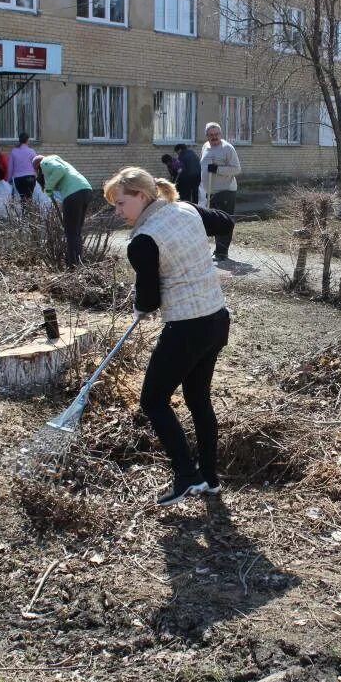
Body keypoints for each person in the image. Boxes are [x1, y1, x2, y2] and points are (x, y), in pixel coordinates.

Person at [103, 166, 230, 507]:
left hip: (188, 327)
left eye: (120, 203)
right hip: (217, 319)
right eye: (115, 205)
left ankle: (187, 475)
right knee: (198, 398)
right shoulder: (185, 209)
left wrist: (140, 307)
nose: (117, 212)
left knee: (153, 401)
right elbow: (224, 222)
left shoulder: (143, 241)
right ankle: (210, 478)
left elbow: (150, 299)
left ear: (142, 197)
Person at [33, 154, 94, 268]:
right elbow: (61, 176)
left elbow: (59, 170)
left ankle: (72, 266)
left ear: (38, 167)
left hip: (73, 194)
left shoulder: (45, 162)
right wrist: (50, 188)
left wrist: (49, 187)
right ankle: (78, 262)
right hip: (86, 191)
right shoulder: (60, 162)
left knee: (71, 233)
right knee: (76, 232)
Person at [199, 121, 241, 260]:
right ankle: (218, 250)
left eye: (216, 134)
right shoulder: (205, 147)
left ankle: (222, 252)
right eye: (211, 135)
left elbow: (236, 169)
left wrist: (218, 169)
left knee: (224, 220)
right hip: (210, 191)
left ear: (220, 134)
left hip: (225, 191)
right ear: (207, 136)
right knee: (215, 221)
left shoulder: (227, 148)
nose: (214, 137)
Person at [7, 133, 38, 202]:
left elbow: (10, 167)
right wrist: (37, 175)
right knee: (29, 198)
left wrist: (8, 180)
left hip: (18, 179)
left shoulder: (14, 151)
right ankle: (29, 212)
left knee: (23, 198)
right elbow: (36, 164)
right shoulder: (32, 151)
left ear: (19, 140)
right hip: (30, 177)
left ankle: (24, 212)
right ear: (27, 140)